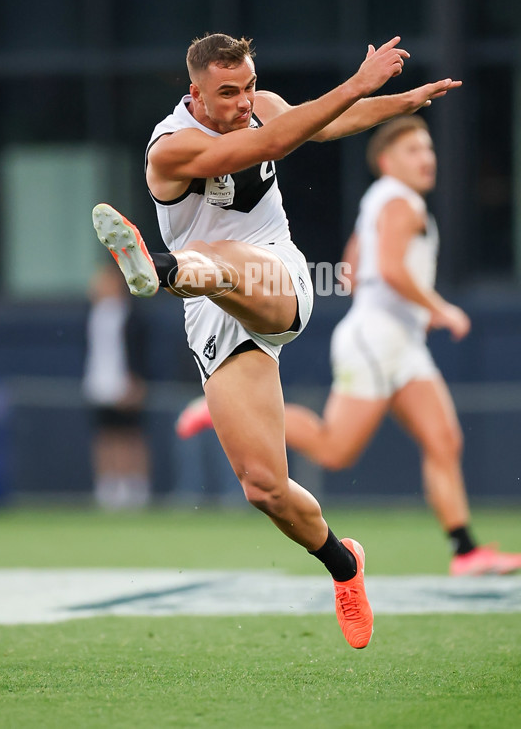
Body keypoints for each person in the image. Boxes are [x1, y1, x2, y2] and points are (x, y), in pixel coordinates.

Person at [93, 32, 461, 648]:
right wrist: (355, 81)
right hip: (213, 314)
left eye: (250, 87)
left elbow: (321, 124)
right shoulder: (172, 148)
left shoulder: (260, 105)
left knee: (212, 255)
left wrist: (396, 102)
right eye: (228, 93)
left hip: (276, 274)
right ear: (196, 95)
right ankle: (344, 564)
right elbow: (270, 144)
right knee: (264, 486)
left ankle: (157, 270)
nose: (243, 102)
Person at [278, 114, 521, 576]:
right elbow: (391, 270)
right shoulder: (402, 202)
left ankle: (466, 552)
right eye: (414, 150)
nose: (427, 158)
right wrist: (438, 308)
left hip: (396, 340)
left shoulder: (380, 200)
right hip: (379, 340)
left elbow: (353, 268)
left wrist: (405, 311)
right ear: (387, 161)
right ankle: (234, 414)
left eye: (429, 149)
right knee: (335, 451)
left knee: (443, 439)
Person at [83, 263, 151, 509]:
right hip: (100, 385)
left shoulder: (130, 313)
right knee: (105, 435)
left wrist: (136, 381)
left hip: (126, 384)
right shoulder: (94, 314)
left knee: (130, 436)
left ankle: (134, 487)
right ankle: (108, 487)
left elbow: (141, 351)